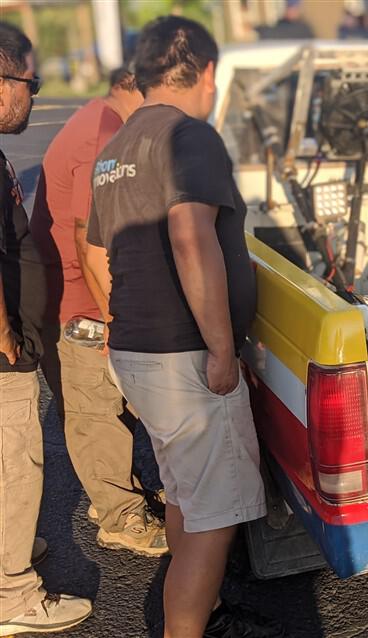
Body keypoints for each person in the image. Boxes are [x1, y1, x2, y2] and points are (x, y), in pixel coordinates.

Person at [84, 16, 267, 637]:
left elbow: (98, 253)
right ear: (207, 72)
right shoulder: (190, 136)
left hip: (138, 351)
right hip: (185, 358)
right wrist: (220, 349)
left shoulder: (114, 152)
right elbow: (191, 239)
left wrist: (124, 323)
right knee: (215, 516)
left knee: (187, 496)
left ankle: (190, 618)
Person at [28, 67, 168, 557]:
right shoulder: (104, 136)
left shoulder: (101, 119)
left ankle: (114, 493)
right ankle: (119, 518)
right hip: (79, 302)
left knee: (105, 409)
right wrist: (117, 322)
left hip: (71, 292)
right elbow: (91, 245)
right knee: (97, 412)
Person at [0, 22, 93, 635]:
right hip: (3, 350)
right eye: (28, 82)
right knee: (16, 461)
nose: (33, 96)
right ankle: (13, 596)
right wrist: (6, 337)